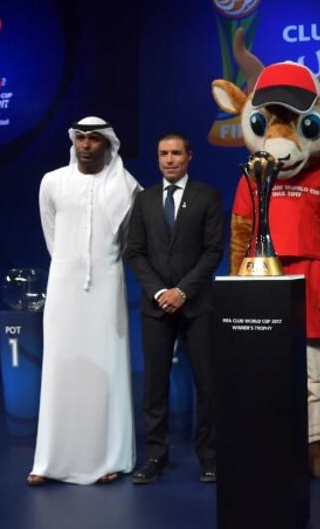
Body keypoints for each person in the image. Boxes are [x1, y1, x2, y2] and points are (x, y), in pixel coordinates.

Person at [28, 116, 141, 486]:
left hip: (108, 284)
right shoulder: (52, 182)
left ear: (108, 144)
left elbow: (127, 242)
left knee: (107, 365)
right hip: (64, 284)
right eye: (81, 138)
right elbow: (51, 235)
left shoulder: (127, 186)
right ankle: (49, 460)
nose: (87, 145)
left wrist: (99, 263)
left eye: (94, 139)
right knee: (61, 368)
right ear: (74, 142)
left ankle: (111, 456)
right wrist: (71, 264)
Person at [125, 133, 224, 484]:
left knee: (207, 383)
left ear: (189, 156)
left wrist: (182, 291)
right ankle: (155, 455)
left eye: (175, 153)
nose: (169, 159)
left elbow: (213, 251)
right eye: (163, 153)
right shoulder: (144, 200)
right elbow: (134, 251)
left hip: (197, 306)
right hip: (156, 309)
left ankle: (209, 456)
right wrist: (158, 293)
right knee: (154, 385)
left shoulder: (207, 195)